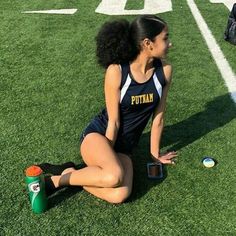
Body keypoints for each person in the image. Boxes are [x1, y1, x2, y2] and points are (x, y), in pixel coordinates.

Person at [39, 15, 177, 204]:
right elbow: (114, 121)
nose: (170, 44)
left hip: (125, 149)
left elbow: (158, 118)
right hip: (99, 137)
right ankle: (54, 181)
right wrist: (106, 158)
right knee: (113, 176)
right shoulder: (118, 71)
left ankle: (70, 173)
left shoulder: (165, 71)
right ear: (148, 43)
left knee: (119, 194)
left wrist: (155, 155)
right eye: (165, 38)